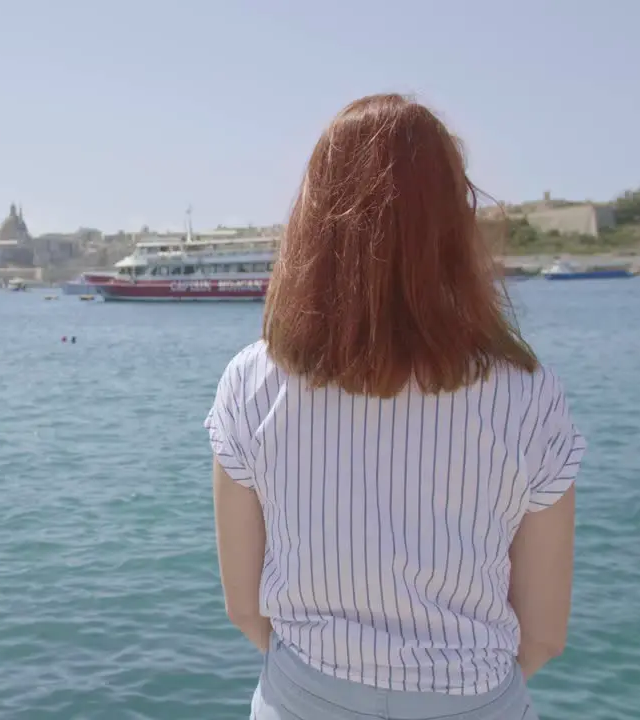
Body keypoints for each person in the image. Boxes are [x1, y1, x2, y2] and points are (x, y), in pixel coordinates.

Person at [205, 94, 584, 720]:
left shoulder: (253, 383)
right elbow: (543, 635)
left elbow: (246, 610)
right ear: (453, 227)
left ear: (315, 221)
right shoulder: (530, 395)